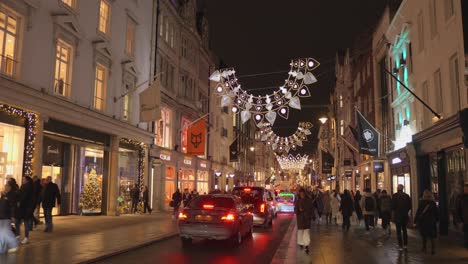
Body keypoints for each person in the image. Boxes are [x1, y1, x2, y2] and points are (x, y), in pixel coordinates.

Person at [415, 190, 439, 255]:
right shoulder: (433, 203)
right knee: (432, 237)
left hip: (424, 221)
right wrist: (436, 220)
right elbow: (436, 213)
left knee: (424, 235)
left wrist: (415, 220)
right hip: (431, 221)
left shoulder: (422, 203)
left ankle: (424, 248)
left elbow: (418, 212)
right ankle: (433, 249)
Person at [392, 184, 412, 251]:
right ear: (403, 189)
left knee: (398, 231)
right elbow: (410, 206)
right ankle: (405, 245)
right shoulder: (407, 196)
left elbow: (393, 206)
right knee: (404, 230)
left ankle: (400, 246)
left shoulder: (395, 196)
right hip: (404, 215)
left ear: (397, 189)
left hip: (398, 215)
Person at [0, 181, 18, 253]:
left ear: (10, 187)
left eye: (7, 185)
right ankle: (2, 249)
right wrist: (3, 195)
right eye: (5, 186)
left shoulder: (12, 195)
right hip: (2, 216)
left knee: (5, 231)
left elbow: (13, 206)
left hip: (6, 216)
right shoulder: (5, 194)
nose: (5, 187)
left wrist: (13, 216)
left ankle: (14, 244)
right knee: (1, 233)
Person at [16, 176, 34, 244]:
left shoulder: (27, 187)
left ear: (27, 180)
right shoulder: (25, 186)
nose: (22, 180)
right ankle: (19, 236)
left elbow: (24, 197)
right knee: (19, 222)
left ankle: (25, 237)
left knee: (25, 223)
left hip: (25, 208)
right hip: (24, 208)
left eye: (23, 179)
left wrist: (19, 202)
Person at [295, 188, 312, 253]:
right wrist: (299, 211)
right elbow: (295, 210)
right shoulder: (298, 201)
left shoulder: (308, 200)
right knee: (301, 232)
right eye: (301, 193)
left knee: (306, 233)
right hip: (300, 219)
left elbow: (311, 209)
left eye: (303, 193)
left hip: (307, 219)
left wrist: (311, 216)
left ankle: (306, 245)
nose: (302, 194)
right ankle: (301, 243)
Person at [457, 183, 468, 249]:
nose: (466, 190)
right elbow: (458, 210)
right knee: (466, 234)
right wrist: (459, 220)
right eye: (465, 189)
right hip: (465, 220)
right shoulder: (461, 198)